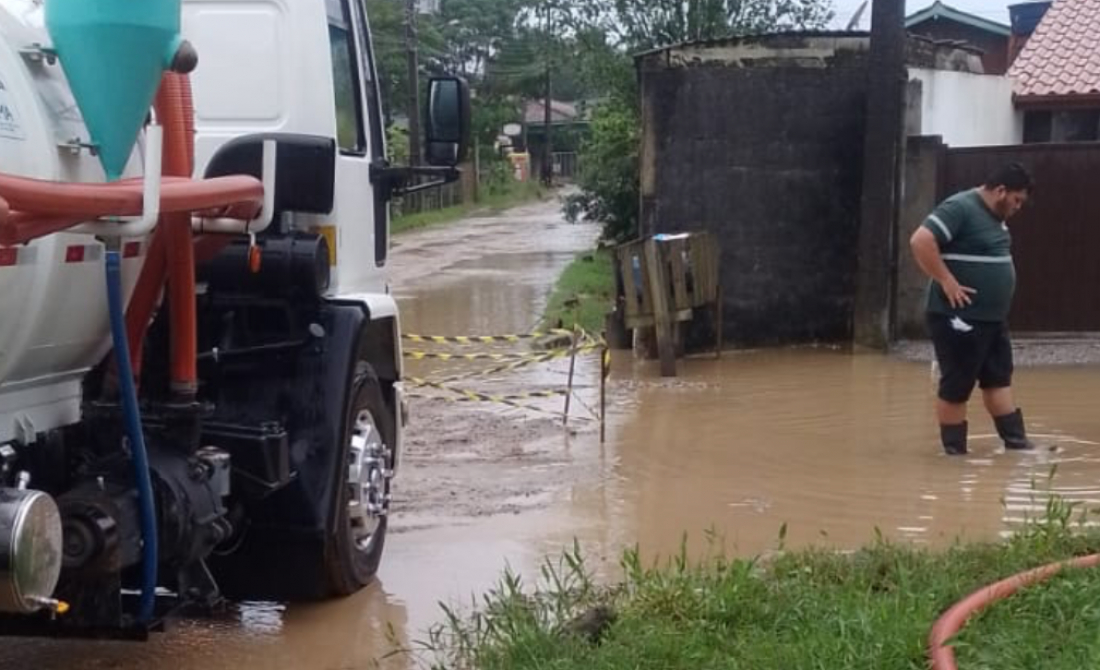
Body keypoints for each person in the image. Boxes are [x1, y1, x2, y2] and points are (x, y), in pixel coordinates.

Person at [909, 162, 1038, 456]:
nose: (1018, 207)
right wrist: (946, 280)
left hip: (991, 319)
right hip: (959, 317)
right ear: (1000, 191)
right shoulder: (960, 207)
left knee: (998, 378)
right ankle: (955, 455)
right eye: (1017, 200)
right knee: (958, 383)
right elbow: (921, 240)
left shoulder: (994, 215)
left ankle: (1017, 445)